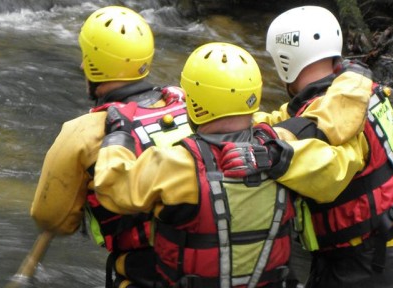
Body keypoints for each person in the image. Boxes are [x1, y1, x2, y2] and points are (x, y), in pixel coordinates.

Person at [93, 42, 352, 288]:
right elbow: (336, 173)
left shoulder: (172, 163)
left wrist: (119, 134)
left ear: (193, 101)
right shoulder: (284, 150)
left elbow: (111, 189)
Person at [254, 5, 393, 288]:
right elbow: (292, 121)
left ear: (285, 59)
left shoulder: (339, 110)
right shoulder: (349, 91)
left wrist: (269, 154)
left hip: (373, 263)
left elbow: (326, 171)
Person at [29, 6, 194, 288]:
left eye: (86, 58)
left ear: (94, 63)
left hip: (144, 276)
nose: (82, 66)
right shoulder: (188, 103)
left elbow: (53, 219)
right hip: (214, 267)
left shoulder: (83, 132)